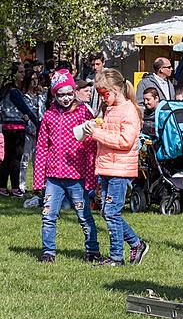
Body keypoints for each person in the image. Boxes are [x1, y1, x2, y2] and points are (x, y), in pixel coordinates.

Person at [33, 69, 101, 263]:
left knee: (84, 215)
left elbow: (90, 147)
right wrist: (39, 179)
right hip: (53, 177)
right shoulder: (48, 116)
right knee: (48, 215)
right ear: (54, 94)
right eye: (60, 94)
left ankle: (92, 250)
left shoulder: (82, 113)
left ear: (74, 92)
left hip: (76, 175)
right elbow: (42, 147)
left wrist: (91, 177)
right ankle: (48, 251)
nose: (65, 98)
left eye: (69, 93)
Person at [84, 69, 150, 266]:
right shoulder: (111, 109)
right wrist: (94, 128)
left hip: (119, 170)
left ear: (114, 90)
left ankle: (116, 256)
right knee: (107, 211)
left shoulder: (129, 110)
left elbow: (125, 141)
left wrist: (97, 134)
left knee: (111, 212)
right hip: (107, 167)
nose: (103, 99)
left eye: (104, 94)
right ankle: (136, 244)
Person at [1, 62, 40, 197]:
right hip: (16, 128)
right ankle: (16, 187)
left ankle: (3, 186)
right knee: (16, 158)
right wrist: (38, 123)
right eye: (21, 72)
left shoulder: (6, 90)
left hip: (7, 126)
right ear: (14, 74)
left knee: (8, 157)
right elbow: (26, 109)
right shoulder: (14, 92)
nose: (24, 75)